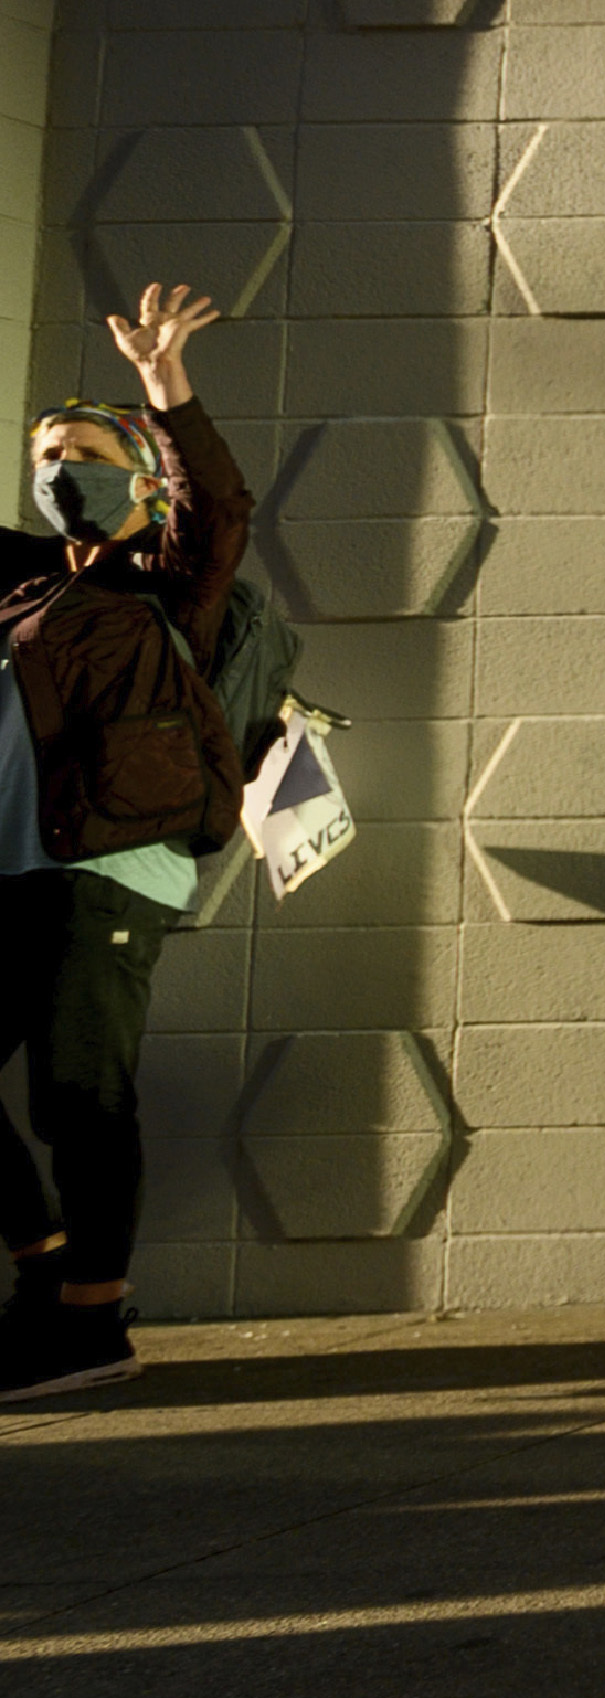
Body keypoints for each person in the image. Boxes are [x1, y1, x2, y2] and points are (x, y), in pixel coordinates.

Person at [0, 284, 252, 1405]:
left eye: (83, 449)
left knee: (78, 1093)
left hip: (108, 868)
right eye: (45, 451)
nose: (59, 466)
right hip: (13, 868)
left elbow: (221, 508)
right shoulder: (21, 584)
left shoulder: (166, 585)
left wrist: (164, 390)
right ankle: (44, 1272)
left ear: (140, 473)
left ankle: (95, 1324)